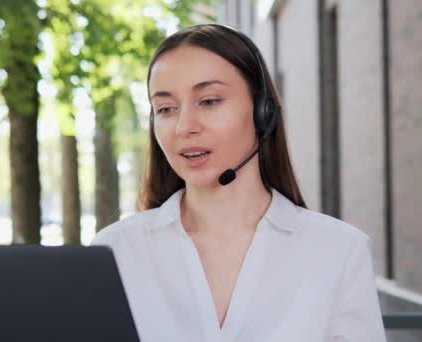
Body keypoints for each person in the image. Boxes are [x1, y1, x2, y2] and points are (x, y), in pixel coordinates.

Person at [91, 24, 387, 342]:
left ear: (263, 112)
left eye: (209, 101)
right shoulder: (115, 251)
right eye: (165, 108)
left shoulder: (339, 251)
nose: (183, 126)